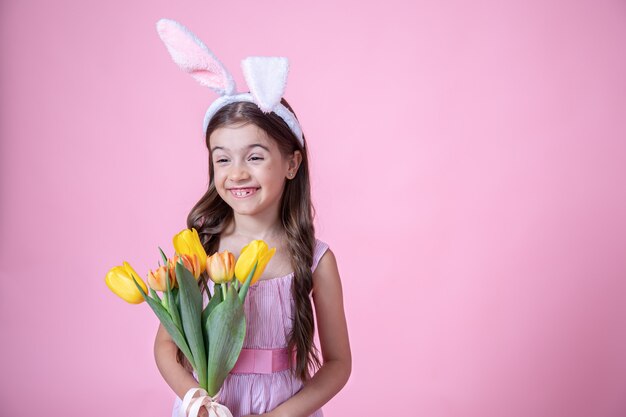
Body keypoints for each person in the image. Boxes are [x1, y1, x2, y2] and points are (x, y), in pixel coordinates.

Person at [152, 19, 351, 417]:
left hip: (284, 409)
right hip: (210, 408)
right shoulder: (199, 248)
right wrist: (198, 402)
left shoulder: (315, 260)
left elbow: (337, 364)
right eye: (222, 158)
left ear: (292, 163)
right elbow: (165, 348)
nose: (237, 173)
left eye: (255, 157)